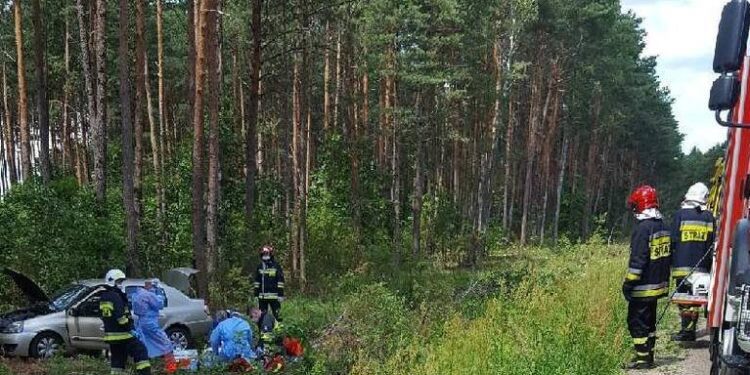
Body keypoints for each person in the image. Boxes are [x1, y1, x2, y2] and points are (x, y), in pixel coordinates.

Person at [623, 186, 671, 370]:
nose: (634, 210)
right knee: (649, 322)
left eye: (635, 206)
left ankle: (642, 360)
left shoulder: (643, 229)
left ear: (640, 205)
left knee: (637, 322)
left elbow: (638, 260)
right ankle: (648, 356)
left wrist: (628, 283)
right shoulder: (663, 226)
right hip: (658, 285)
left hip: (643, 287)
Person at [671, 183, 715, 342]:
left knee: (683, 299)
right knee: (695, 300)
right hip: (701, 268)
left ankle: (686, 330)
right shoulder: (709, 217)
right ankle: (689, 330)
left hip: (681, 267)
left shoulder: (679, 214)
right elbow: (712, 243)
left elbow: (674, 240)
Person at [100, 269, 151, 375]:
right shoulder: (115, 296)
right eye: (119, 282)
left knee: (117, 360)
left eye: (121, 282)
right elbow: (121, 318)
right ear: (111, 281)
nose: (120, 284)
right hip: (123, 335)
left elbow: (106, 316)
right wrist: (131, 329)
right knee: (141, 351)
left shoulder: (104, 296)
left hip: (112, 337)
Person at [132, 279, 176, 370]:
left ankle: (149, 367)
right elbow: (159, 304)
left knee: (145, 345)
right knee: (166, 343)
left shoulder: (135, 295)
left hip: (141, 323)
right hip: (150, 323)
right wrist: (158, 293)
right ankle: (172, 369)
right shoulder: (148, 295)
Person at [253, 245, 285, 322]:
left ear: (271, 254)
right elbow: (257, 282)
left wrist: (280, 295)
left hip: (274, 296)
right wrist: (256, 295)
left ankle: (280, 330)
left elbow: (280, 281)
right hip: (262, 297)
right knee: (262, 316)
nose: (265, 255)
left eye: (267, 253)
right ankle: (263, 330)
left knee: (278, 315)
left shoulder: (276, 266)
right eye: (264, 253)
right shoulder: (260, 266)